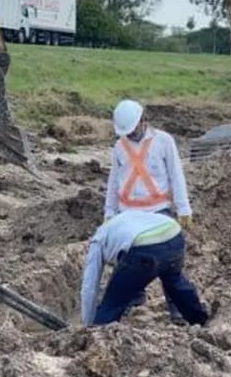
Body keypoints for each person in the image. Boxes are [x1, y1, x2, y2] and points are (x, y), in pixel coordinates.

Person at [104, 99, 194, 323]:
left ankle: (178, 311)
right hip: (128, 215)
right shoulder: (120, 147)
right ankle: (132, 300)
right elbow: (114, 181)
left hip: (157, 212)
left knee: (169, 266)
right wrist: (109, 212)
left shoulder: (163, 141)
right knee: (126, 263)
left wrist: (183, 208)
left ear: (143, 120)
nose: (131, 134)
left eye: (133, 129)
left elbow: (176, 174)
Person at [80, 210, 211, 327]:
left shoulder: (97, 242)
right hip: (174, 235)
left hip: (143, 249)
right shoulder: (124, 219)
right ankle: (200, 319)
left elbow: (90, 287)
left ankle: (98, 330)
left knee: (113, 303)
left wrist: (87, 323)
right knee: (174, 281)